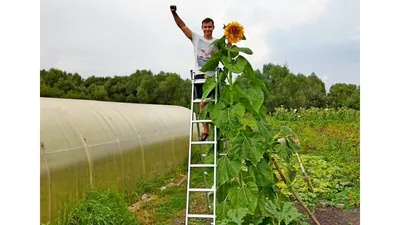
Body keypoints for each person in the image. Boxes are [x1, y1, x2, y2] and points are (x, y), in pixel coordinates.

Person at [170, 5, 217, 141]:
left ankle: (213, 129)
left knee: (213, 103)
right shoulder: (196, 38)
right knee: (202, 104)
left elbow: (227, 51)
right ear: (202, 28)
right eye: (205, 27)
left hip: (213, 77)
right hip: (199, 76)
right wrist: (174, 13)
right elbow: (182, 26)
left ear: (213, 28)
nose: (207, 29)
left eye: (210, 27)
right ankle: (206, 130)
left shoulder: (217, 42)